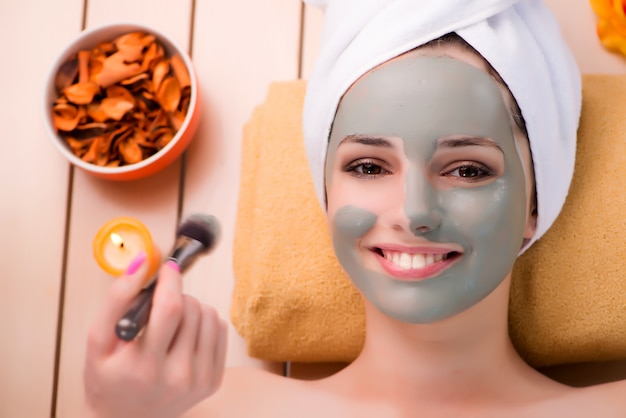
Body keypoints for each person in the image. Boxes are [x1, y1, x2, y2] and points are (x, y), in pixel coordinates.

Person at [81, 0, 626, 417]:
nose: (415, 213)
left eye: (467, 169)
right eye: (368, 167)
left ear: (537, 201)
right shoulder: (204, 404)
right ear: (327, 194)